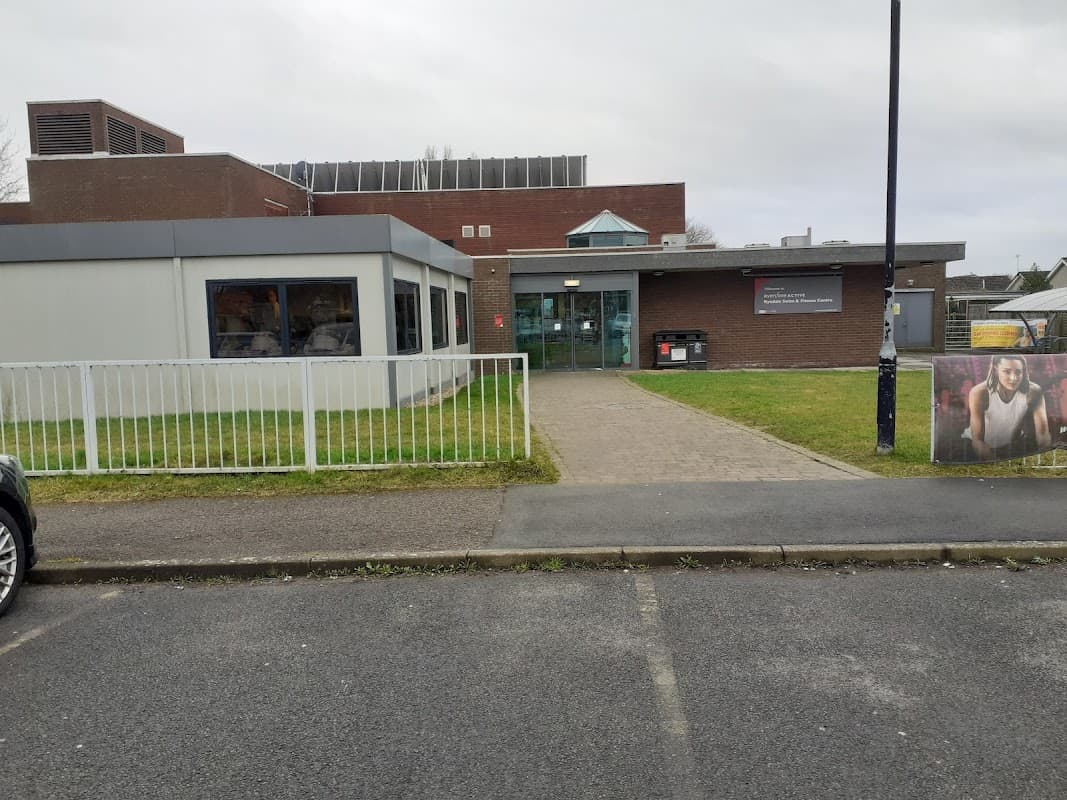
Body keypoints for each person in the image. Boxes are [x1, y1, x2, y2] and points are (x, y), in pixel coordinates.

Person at [966, 355, 1051, 461]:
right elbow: (977, 440)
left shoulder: (1033, 391)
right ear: (995, 369)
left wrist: (1046, 460)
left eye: (1018, 372)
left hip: (1011, 447)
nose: (1013, 378)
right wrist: (996, 465)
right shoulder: (979, 392)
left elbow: (1043, 434)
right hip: (976, 447)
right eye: (1007, 371)